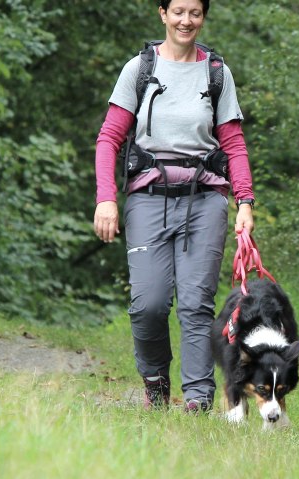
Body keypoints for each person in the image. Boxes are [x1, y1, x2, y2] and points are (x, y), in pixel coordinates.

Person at [93, 0, 255, 413]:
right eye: (178, 11)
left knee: (196, 303)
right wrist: (106, 198)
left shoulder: (216, 73)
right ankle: (155, 381)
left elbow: (233, 144)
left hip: (204, 200)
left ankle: (198, 399)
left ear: (203, 17)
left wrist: (245, 203)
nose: (187, 21)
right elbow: (109, 139)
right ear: (162, 13)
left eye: (195, 13)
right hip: (148, 200)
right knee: (147, 304)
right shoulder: (139, 69)